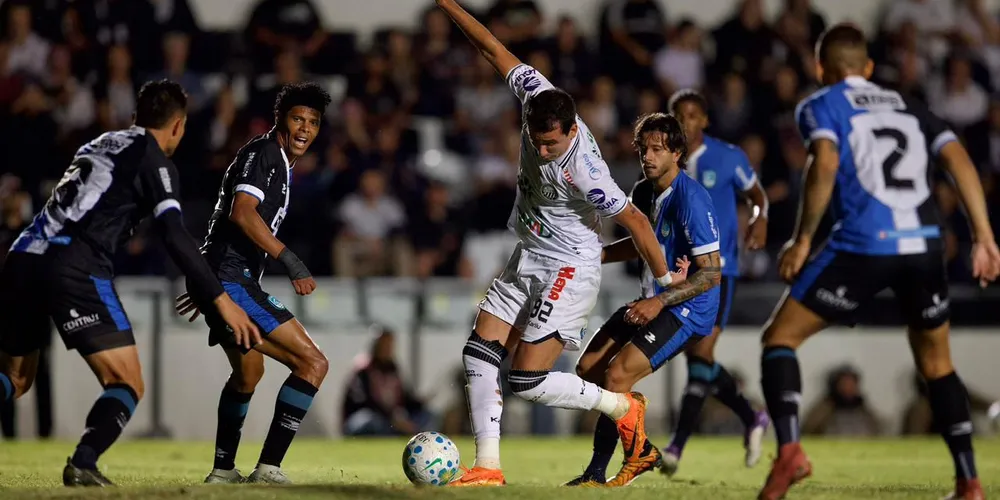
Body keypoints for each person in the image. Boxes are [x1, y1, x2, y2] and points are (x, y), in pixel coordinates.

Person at [434, 0, 675, 487]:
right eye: (535, 142)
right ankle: (488, 467)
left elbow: (638, 223)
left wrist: (666, 288)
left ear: (571, 130)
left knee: (525, 380)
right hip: (528, 254)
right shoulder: (535, 96)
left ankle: (620, 407)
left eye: (552, 144)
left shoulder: (587, 171)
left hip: (569, 266)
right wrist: (448, 6)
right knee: (479, 352)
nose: (542, 151)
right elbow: (491, 48)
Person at [757, 24, 1000, 500]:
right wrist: (985, 237)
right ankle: (969, 482)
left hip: (866, 243)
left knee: (780, 339)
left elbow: (824, 163)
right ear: (868, 68)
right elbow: (961, 163)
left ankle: (790, 454)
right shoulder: (910, 105)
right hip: (926, 244)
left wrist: (803, 239)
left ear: (821, 68)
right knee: (938, 365)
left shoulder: (820, 103)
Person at [0, 80, 260, 487]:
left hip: (22, 257)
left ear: (136, 117)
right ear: (177, 126)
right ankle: (84, 462)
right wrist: (221, 300)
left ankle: (84, 461)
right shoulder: (154, 159)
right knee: (127, 383)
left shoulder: (101, 143)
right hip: (76, 262)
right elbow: (173, 233)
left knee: (15, 379)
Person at [175, 82, 332, 485]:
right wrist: (290, 260)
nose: (305, 128)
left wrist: (207, 285)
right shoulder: (265, 154)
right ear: (280, 119)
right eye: (298, 118)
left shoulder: (277, 160)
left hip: (221, 279)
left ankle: (223, 470)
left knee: (249, 374)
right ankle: (268, 468)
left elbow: (223, 225)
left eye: (313, 122)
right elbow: (242, 213)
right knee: (313, 363)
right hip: (233, 280)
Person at [568, 112, 723, 486]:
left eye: (658, 149)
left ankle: (601, 470)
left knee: (617, 375)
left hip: (686, 309)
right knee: (588, 368)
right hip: (653, 298)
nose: (648, 157)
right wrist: (598, 255)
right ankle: (637, 447)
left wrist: (659, 302)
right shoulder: (641, 192)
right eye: (643, 149)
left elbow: (712, 273)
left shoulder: (691, 199)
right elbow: (642, 244)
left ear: (677, 153)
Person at [660, 89, 771, 476]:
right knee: (697, 357)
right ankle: (752, 416)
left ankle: (675, 447)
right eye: (679, 115)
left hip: (719, 270)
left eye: (692, 115)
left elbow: (757, 194)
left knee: (701, 354)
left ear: (704, 120)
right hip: (680, 271)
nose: (686, 122)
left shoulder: (727, 157)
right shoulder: (663, 160)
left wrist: (759, 217)